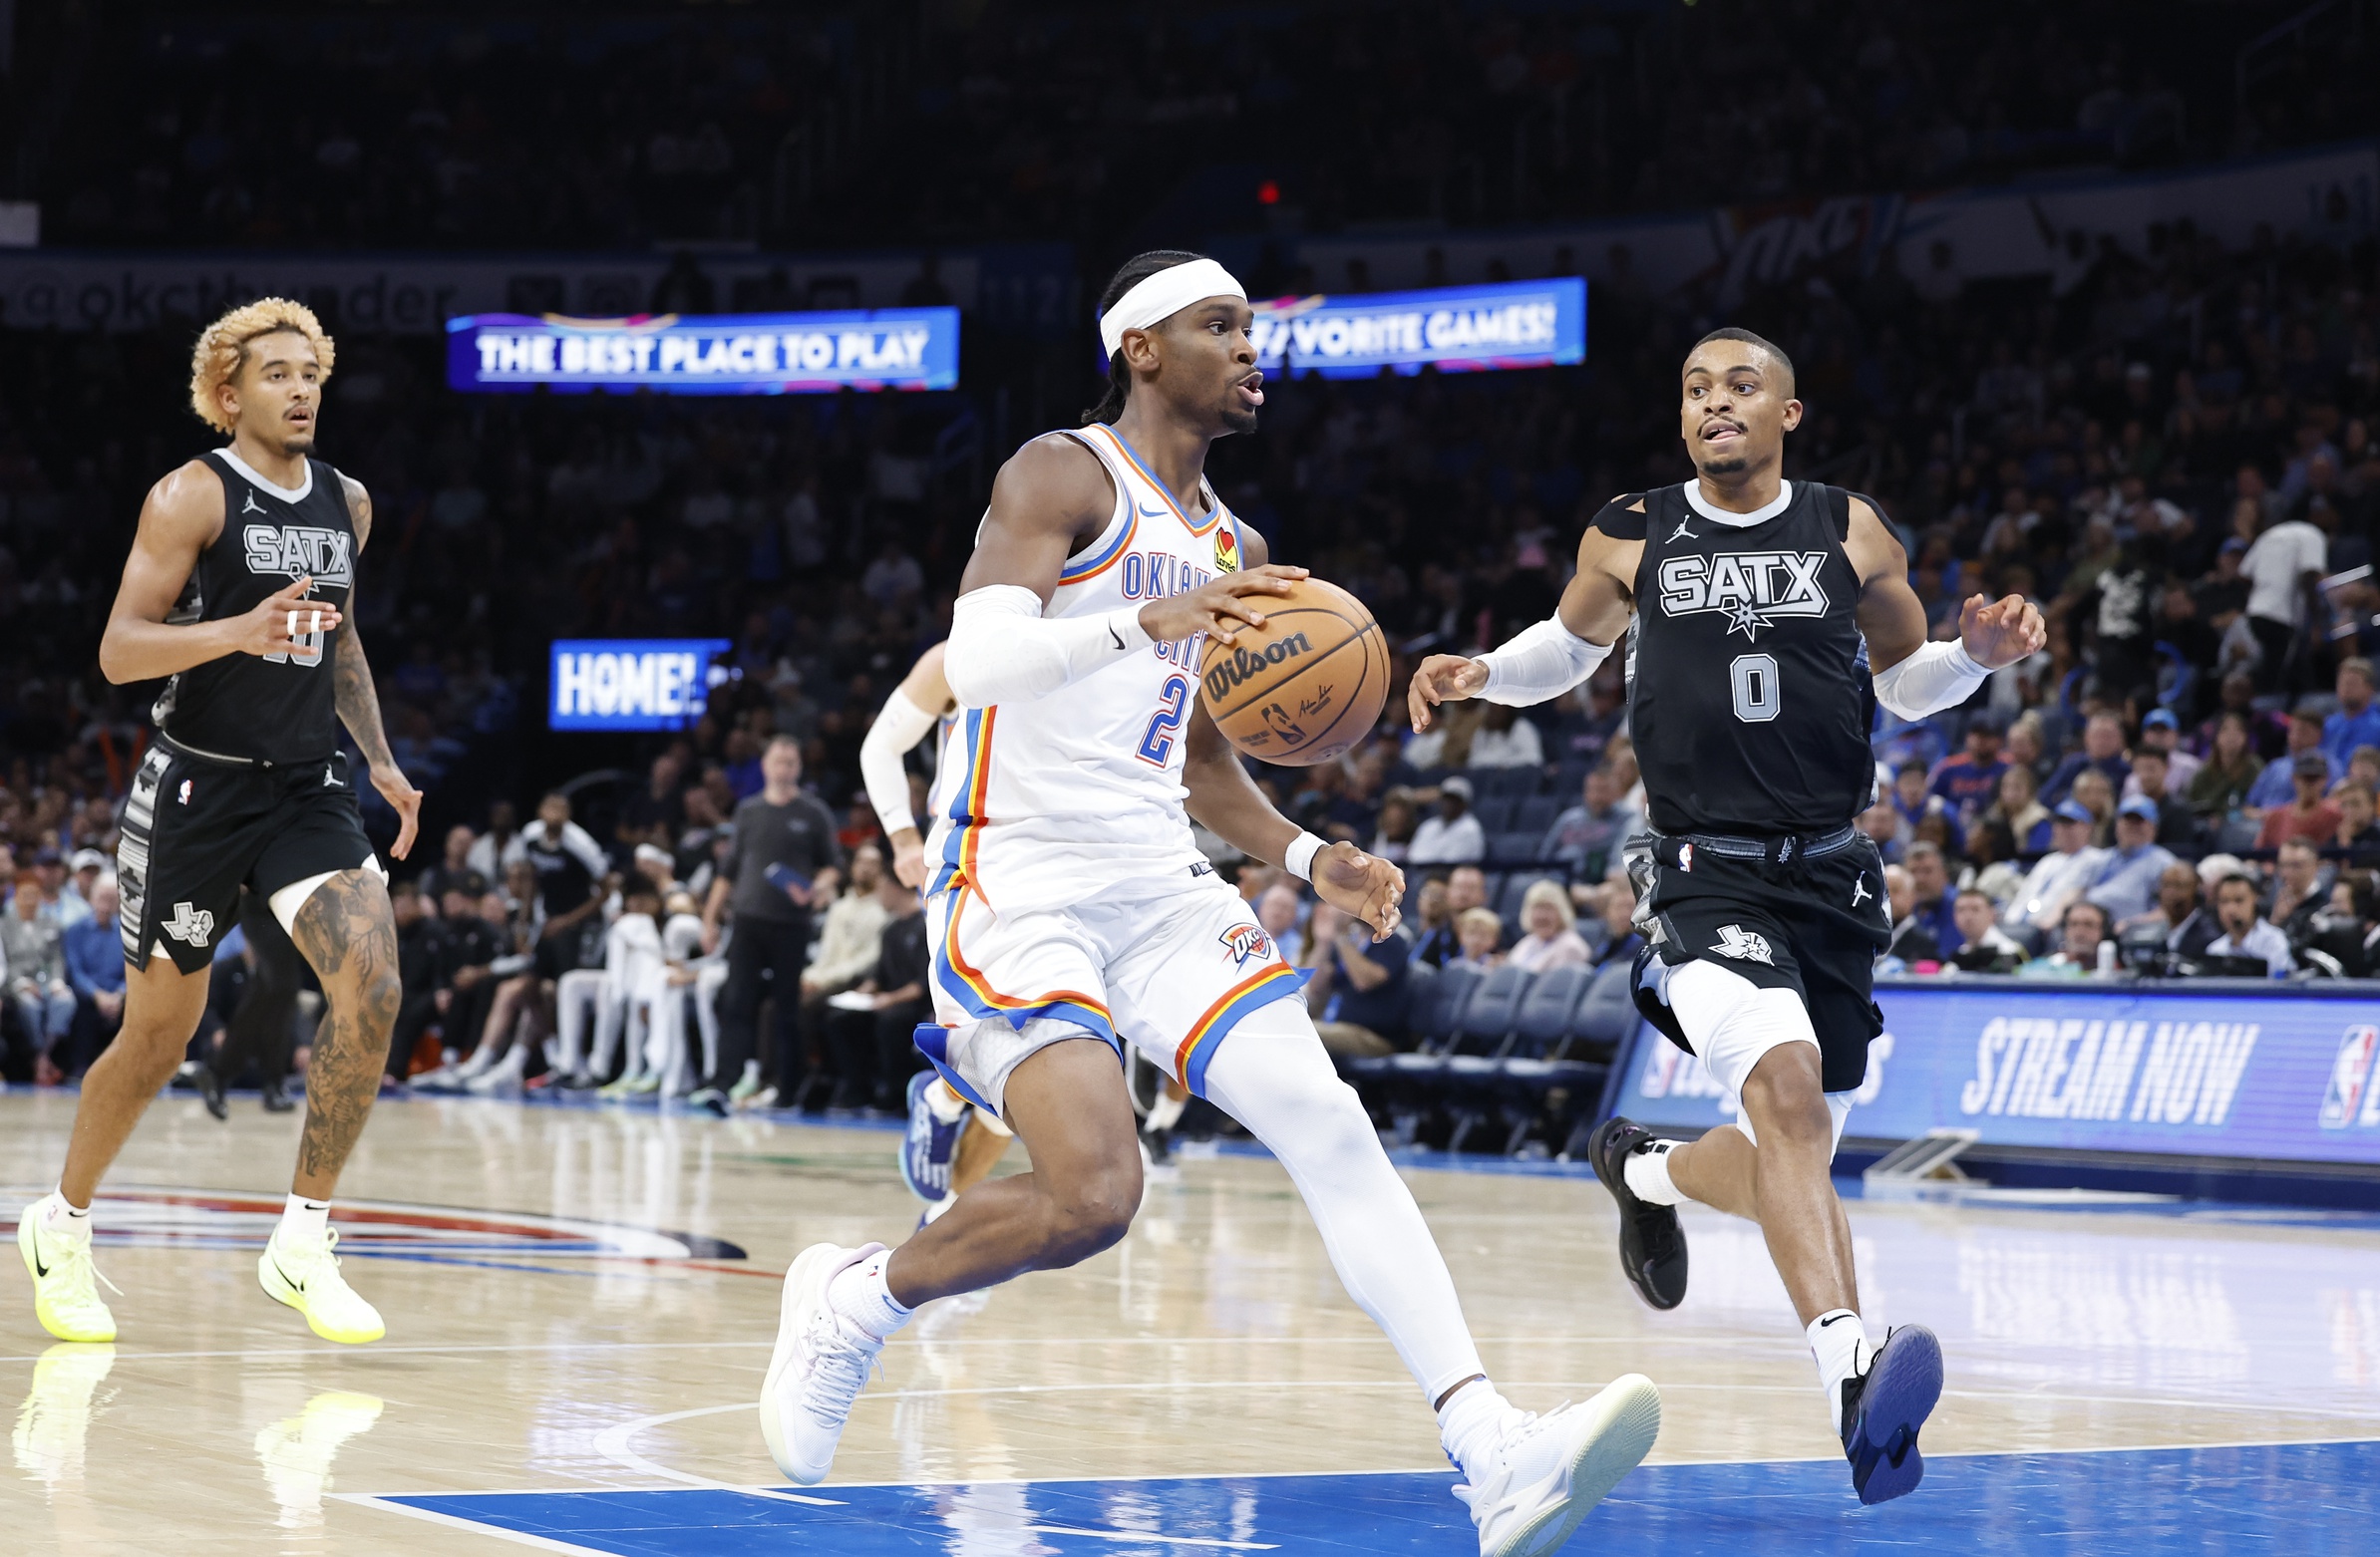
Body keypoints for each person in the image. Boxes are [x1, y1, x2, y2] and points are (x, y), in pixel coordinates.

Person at [760, 252, 1660, 1557]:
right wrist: (1149, 613)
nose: (1252, 347)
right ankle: (855, 1295)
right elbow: (983, 654)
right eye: (1219, 326)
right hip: (1012, 878)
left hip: (1157, 882)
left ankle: (1492, 1447)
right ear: (1139, 347)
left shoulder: (1230, 543)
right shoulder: (1058, 473)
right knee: (1092, 1196)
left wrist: (1310, 861)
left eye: (1252, 327)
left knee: (1327, 1121)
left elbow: (1194, 763)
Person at [1413, 325, 2044, 1504]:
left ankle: (1643, 1171)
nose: (1714, 403)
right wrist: (1481, 672)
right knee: (1789, 1095)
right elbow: (1567, 645)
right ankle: (1851, 1382)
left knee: (1780, 1156)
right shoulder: (1631, 527)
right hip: (1699, 870)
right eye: (1695, 388)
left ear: (1787, 413)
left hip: (1833, 883)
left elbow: (1906, 683)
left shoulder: (1850, 528)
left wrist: (1973, 653)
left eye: (1740, 386)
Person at [19, 298, 420, 1348]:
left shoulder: (348, 502)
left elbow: (338, 643)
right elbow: (116, 649)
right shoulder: (188, 494)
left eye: (311, 374)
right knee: (159, 1037)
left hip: (304, 787)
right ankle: (60, 1223)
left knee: (373, 981)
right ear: (229, 393)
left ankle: (303, 1238)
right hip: (195, 790)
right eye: (277, 374)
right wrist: (237, 628)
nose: (299, 391)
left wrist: (379, 759)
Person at [695, 734, 842, 1114]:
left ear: (799, 768)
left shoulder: (813, 813)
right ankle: (722, 1084)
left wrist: (816, 888)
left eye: (791, 762)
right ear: (765, 766)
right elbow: (727, 871)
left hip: (791, 923)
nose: (784, 769)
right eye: (778, 761)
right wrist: (709, 921)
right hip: (747, 920)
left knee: (786, 1007)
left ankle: (786, 1089)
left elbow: (832, 867)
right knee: (736, 1001)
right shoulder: (748, 811)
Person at [197, 890, 304, 1117]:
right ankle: (271, 1083)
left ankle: (220, 1074)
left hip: (292, 900)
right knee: (279, 985)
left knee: (270, 988)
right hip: (261, 899)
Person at [1300, 898, 1414, 1058]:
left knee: (1309, 1033)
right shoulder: (1349, 942)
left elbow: (1364, 981)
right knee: (1298, 1029)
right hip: (1339, 1028)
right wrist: (1323, 943)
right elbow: (1313, 987)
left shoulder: (1391, 941)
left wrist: (1340, 935)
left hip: (1375, 1037)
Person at [4, 872, 77, 1084]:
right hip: (17, 983)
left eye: (34, 895)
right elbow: (5, 962)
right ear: (15, 896)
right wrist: (22, 983)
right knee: (29, 1006)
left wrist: (56, 982)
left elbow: (56, 959)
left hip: (46, 981)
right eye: (25, 895)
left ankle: (42, 1057)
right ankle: (42, 1061)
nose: (29, 900)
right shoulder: (5, 925)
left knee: (66, 1001)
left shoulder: (51, 923)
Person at [2002, 800, 2110, 934]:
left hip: (2050, 928)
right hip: (2016, 923)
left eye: (2069, 823)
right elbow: (2025, 893)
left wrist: (2051, 921)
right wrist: (2008, 920)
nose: (2063, 829)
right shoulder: (2047, 860)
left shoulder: (2097, 859)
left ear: (2087, 827)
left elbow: (2079, 894)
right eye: (2059, 823)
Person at [62, 877, 128, 1076]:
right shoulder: (75, 931)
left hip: (118, 994)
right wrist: (97, 995)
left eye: (111, 899)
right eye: (102, 898)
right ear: (91, 899)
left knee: (138, 1004)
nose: (105, 904)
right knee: (80, 1003)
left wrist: (119, 994)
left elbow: (132, 971)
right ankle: (79, 1069)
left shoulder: (127, 933)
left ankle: (126, 1071)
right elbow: (75, 971)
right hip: (87, 992)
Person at [2084, 798, 2181, 924]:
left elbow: (2170, 911)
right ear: (2117, 824)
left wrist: (2131, 924)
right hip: (2090, 924)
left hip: (2132, 933)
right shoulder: (2101, 859)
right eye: (2128, 820)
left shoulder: (2165, 863)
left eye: (2139, 821)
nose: (2132, 826)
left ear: (2153, 828)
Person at [1539, 763, 1639, 880]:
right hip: (1559, 881)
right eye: (1592, 790)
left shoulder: (1628, 820)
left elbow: (1619, 863)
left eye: (1603, 790)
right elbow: (1544, 858)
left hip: (1602, 883)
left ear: (1616, 791)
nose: (1596, 796)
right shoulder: (1569, 819)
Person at [2203, 872, 2293, 976]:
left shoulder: (2274, 941)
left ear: (2255, 900)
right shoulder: (2215, 950)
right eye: (2224, 901)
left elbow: (2280, 985)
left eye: (2239, 900)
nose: (2231, 909)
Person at [2256, 751, 2343, 848]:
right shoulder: (2275, 817)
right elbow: (2257, 853)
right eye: (2305, 778)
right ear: (2294, 779)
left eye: (2314, 779)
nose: (2309, 784)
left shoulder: (2335, 816)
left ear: (2325, 780)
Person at [2188, 712, 2264, 819]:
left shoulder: (2254, 767)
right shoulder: (2204, 773)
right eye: (2225, 730)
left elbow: (2261, 802)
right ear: (2216, 736)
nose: (2231, 735)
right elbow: (2191, 805)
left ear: (2246, 737)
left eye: (2238, 730)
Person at [1507, 880, 1591, 973]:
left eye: (1548, 908)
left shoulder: (1571, 947)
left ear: (1562, 912)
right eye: (1537, 908)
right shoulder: (1527, 942)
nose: (1542, 916)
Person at [1414, 865, 1489, 968]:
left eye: (1471, 888)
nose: (1463, 894)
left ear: (1483, 895)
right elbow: (1415, 966)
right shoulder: (1437, 933)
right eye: (1459, 887)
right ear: (1448, 892)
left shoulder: (1499, 932)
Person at [1409, 775, 1487, 864]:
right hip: (1420, 874)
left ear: (1465, 803)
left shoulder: (1470, 829)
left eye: (1454, 800)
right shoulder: (1428, 825)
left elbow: (1451, 862)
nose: (1449, 804)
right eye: (1446, 799)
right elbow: (1413, 856)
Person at [1943, 888, 2025, 972]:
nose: (1968, 916)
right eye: (1961, 910)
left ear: (1991, 914)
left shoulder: (2008, 952)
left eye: (1975, 909)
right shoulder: (1960, 955)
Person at [2022, 900, 2110, 976]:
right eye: (2073, 924)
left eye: (2088, 925)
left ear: (2103, 931)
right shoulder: (2043, 967)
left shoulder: (2117, 972)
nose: (2079, 932)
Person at [1881, 866, 1940, 965]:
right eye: (1884, 890)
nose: (1888, 897)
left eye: (1895, 890)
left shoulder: (1923, 943)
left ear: (1912, 896)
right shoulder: (1865, 935)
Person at [2326, 659, 2380, 769]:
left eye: (2353, 684)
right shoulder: (2330, 723)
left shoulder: (2375, 726)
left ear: (2370, 689)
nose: (2346, 688)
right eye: (2342, 683)